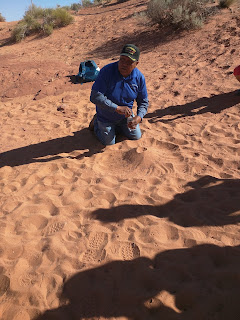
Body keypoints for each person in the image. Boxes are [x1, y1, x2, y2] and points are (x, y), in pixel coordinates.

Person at [89, 44, 149, 145]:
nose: (124, 64)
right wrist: (117, 108)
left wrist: (138, 118)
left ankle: (116, 128)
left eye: (129, 62)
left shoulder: (139, 78)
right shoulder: (107, 71)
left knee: (136, 136)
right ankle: (96, 124)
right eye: (122, 60)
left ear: (136, 63)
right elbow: (95, 96)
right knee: (109, 142)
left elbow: (143, 102)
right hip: (106, 116)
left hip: (125, 118)